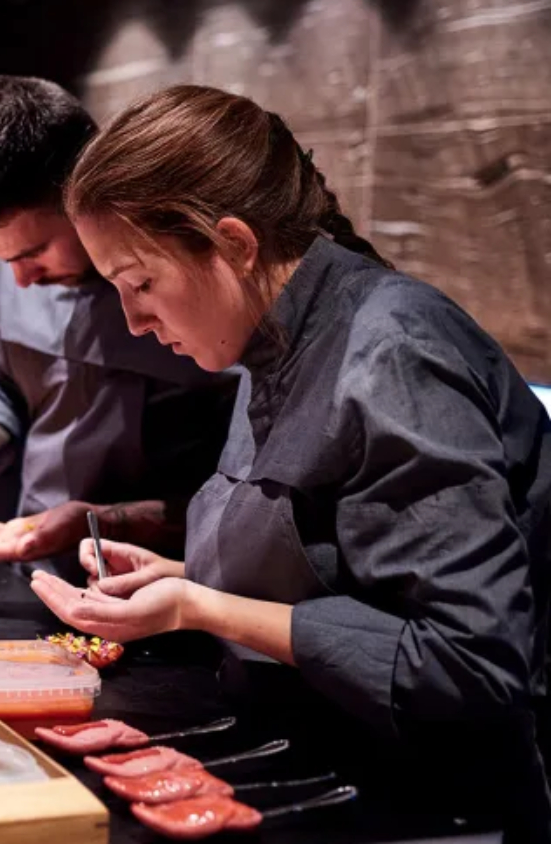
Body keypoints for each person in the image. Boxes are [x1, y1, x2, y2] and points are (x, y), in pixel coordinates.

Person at [36, 85, 551, 835]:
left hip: (428, 804)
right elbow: (342, 563)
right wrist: (183, 573)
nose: (135, 321)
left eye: (141, 283)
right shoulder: (263, 336)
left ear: (235, 245)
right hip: (308, 753)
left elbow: (470, 663)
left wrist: (198, 606)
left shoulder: (395, 354)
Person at [0, 78, 235, 570]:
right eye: (2, 261)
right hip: (32, 561)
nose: (21, 280)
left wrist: (101, 522)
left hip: (165, 579)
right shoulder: (15, 270)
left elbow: (245, 493)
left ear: (85, 189)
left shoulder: (190, 282)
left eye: (34, 252)